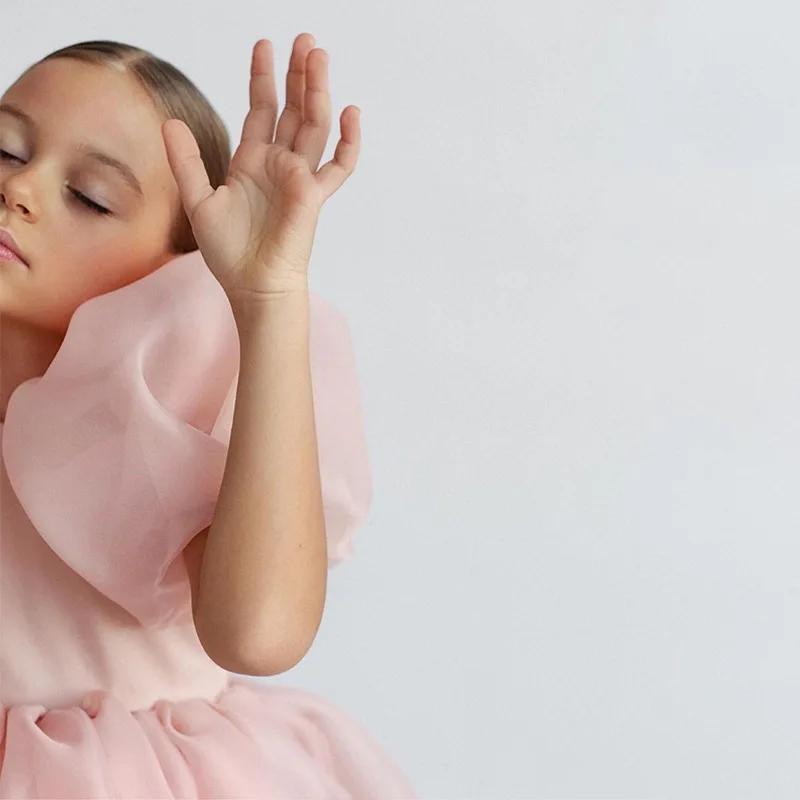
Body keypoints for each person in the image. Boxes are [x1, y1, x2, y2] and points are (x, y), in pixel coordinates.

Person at [0, 33, 416, 797]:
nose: (19, 190)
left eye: (89, 196)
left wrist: (267, 302)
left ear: (169, 269)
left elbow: (259, 635)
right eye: (6, 149)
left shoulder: (138, 426)